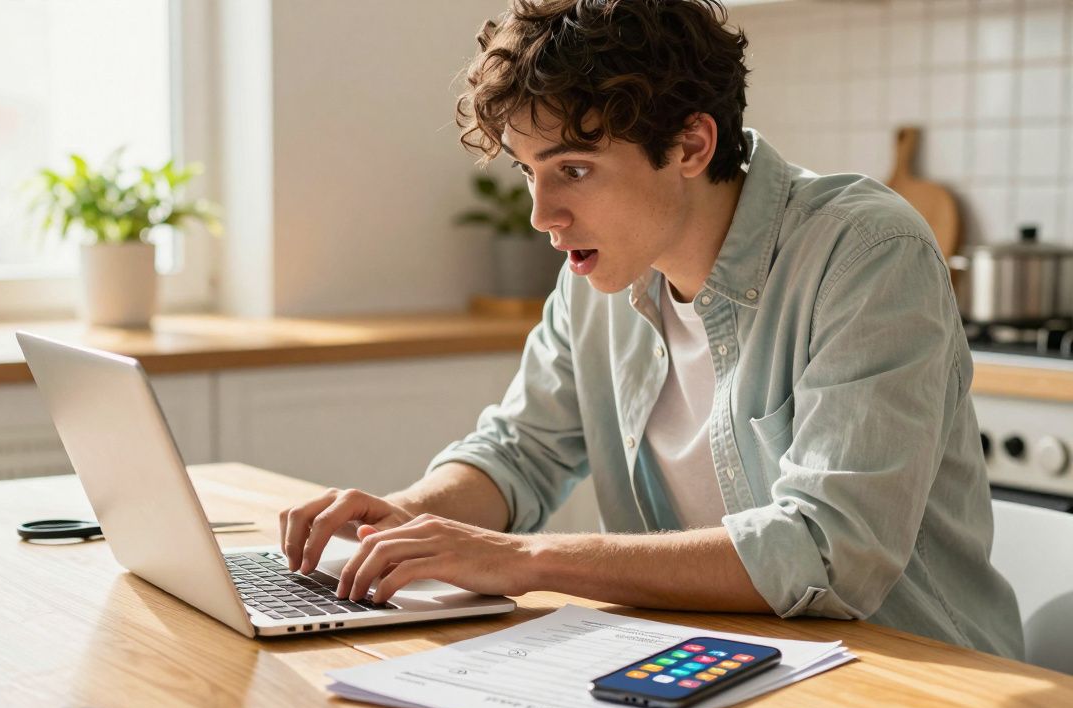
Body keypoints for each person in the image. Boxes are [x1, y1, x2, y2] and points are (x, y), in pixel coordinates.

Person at [278, 0, 1023, 659]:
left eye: (572, 169)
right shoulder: (599, 276)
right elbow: (521, 453)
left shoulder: (864, 254)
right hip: (713, 665)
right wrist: (406, 517)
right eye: (528, 171)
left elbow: (828, 551)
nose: (542, 215)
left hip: (909, 684)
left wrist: (522, 559)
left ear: (691, 146)